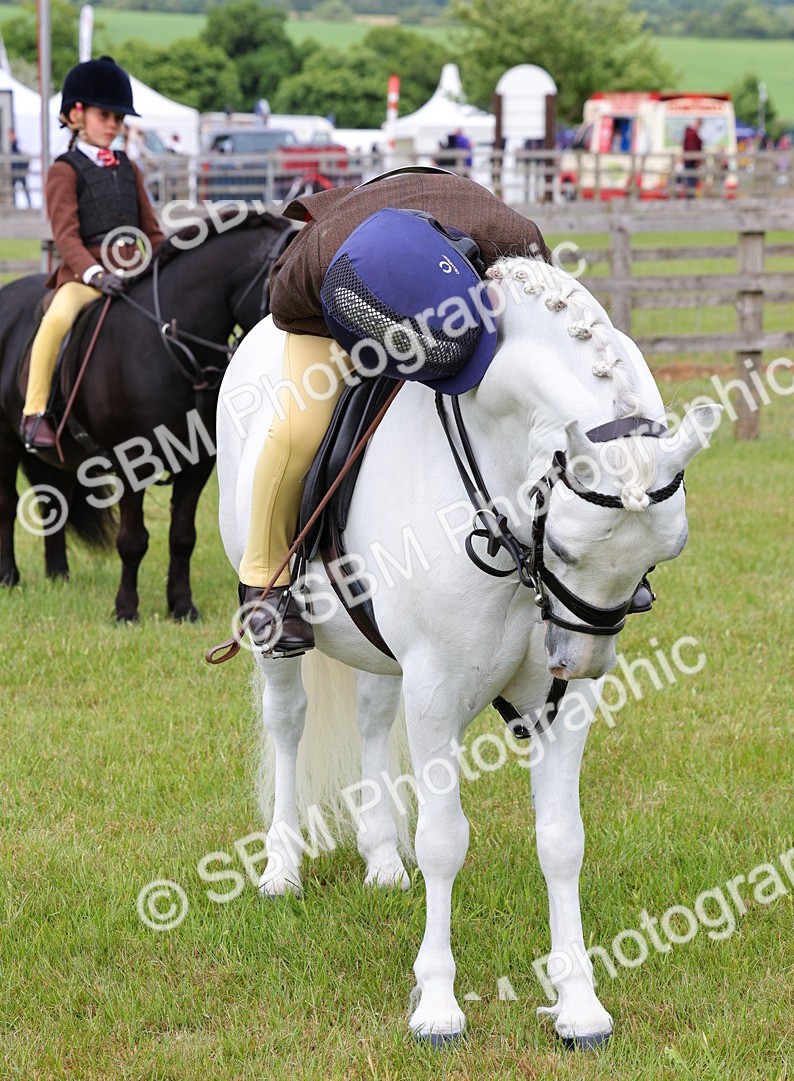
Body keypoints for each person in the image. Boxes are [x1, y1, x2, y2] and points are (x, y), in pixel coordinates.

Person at [238, 169, 550, 654]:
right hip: (330, 310)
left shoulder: (517, 242)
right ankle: (263, 588)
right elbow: (286, 313)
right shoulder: (314, 260)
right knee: (298, 430)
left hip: (459, 300)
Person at [20, 56, 164, 451]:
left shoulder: (128, 168)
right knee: (57, 318)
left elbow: (151, 231)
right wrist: (96, 275)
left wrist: (169, 262)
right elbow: (66, 237)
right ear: (77, 114)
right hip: (84, 278)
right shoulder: (64, 170)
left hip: (132, 273)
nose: (114, 126)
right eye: (106, 115)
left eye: (119, 118)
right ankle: (34, 412)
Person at [9, 130, 32, 207]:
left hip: (20, 169)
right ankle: (14, 205)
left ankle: (29, 204)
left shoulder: (19, 144)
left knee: (25, 189)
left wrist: (25, 167)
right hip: (14, 171)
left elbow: (26, 155)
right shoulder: (10, 145)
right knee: (13, 189)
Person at [682, 118, 703, 198]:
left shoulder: (691, 132)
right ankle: (690, 197)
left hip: (690, 159)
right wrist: (697, 158)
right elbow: (692, 147)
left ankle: (690, 196)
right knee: (691, 179)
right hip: (691, 160)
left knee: (691, 179)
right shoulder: (692, 133)